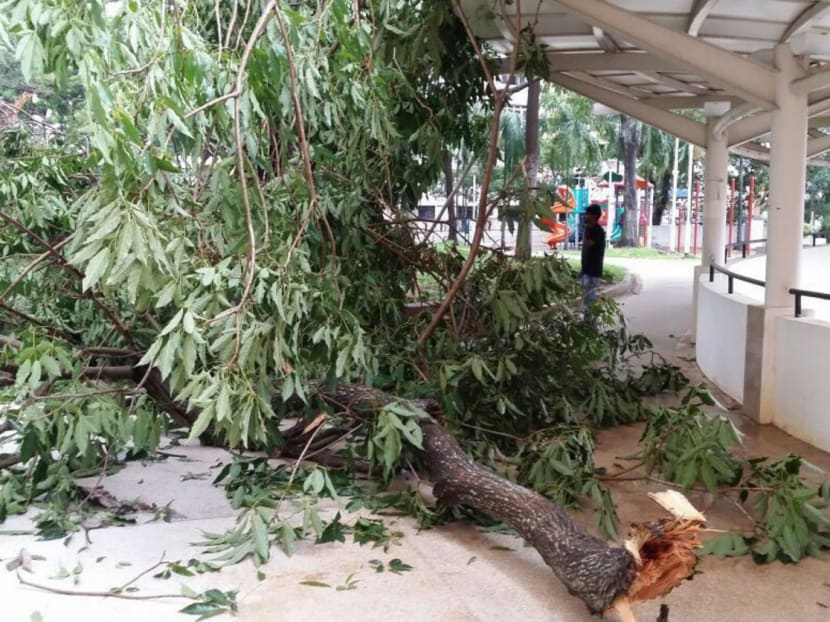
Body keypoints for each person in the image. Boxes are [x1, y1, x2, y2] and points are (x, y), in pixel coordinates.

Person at [580, 203, 606, 327]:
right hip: (586, 269)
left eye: (588, 214)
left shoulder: (597, 231)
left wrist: (586, 230)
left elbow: (587, 245)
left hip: (594, 271)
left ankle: (592, 324)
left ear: (595, 216)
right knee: (586, 298)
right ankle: (587, 322)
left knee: (591, 298)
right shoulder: (589, 230)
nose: (585, 217)